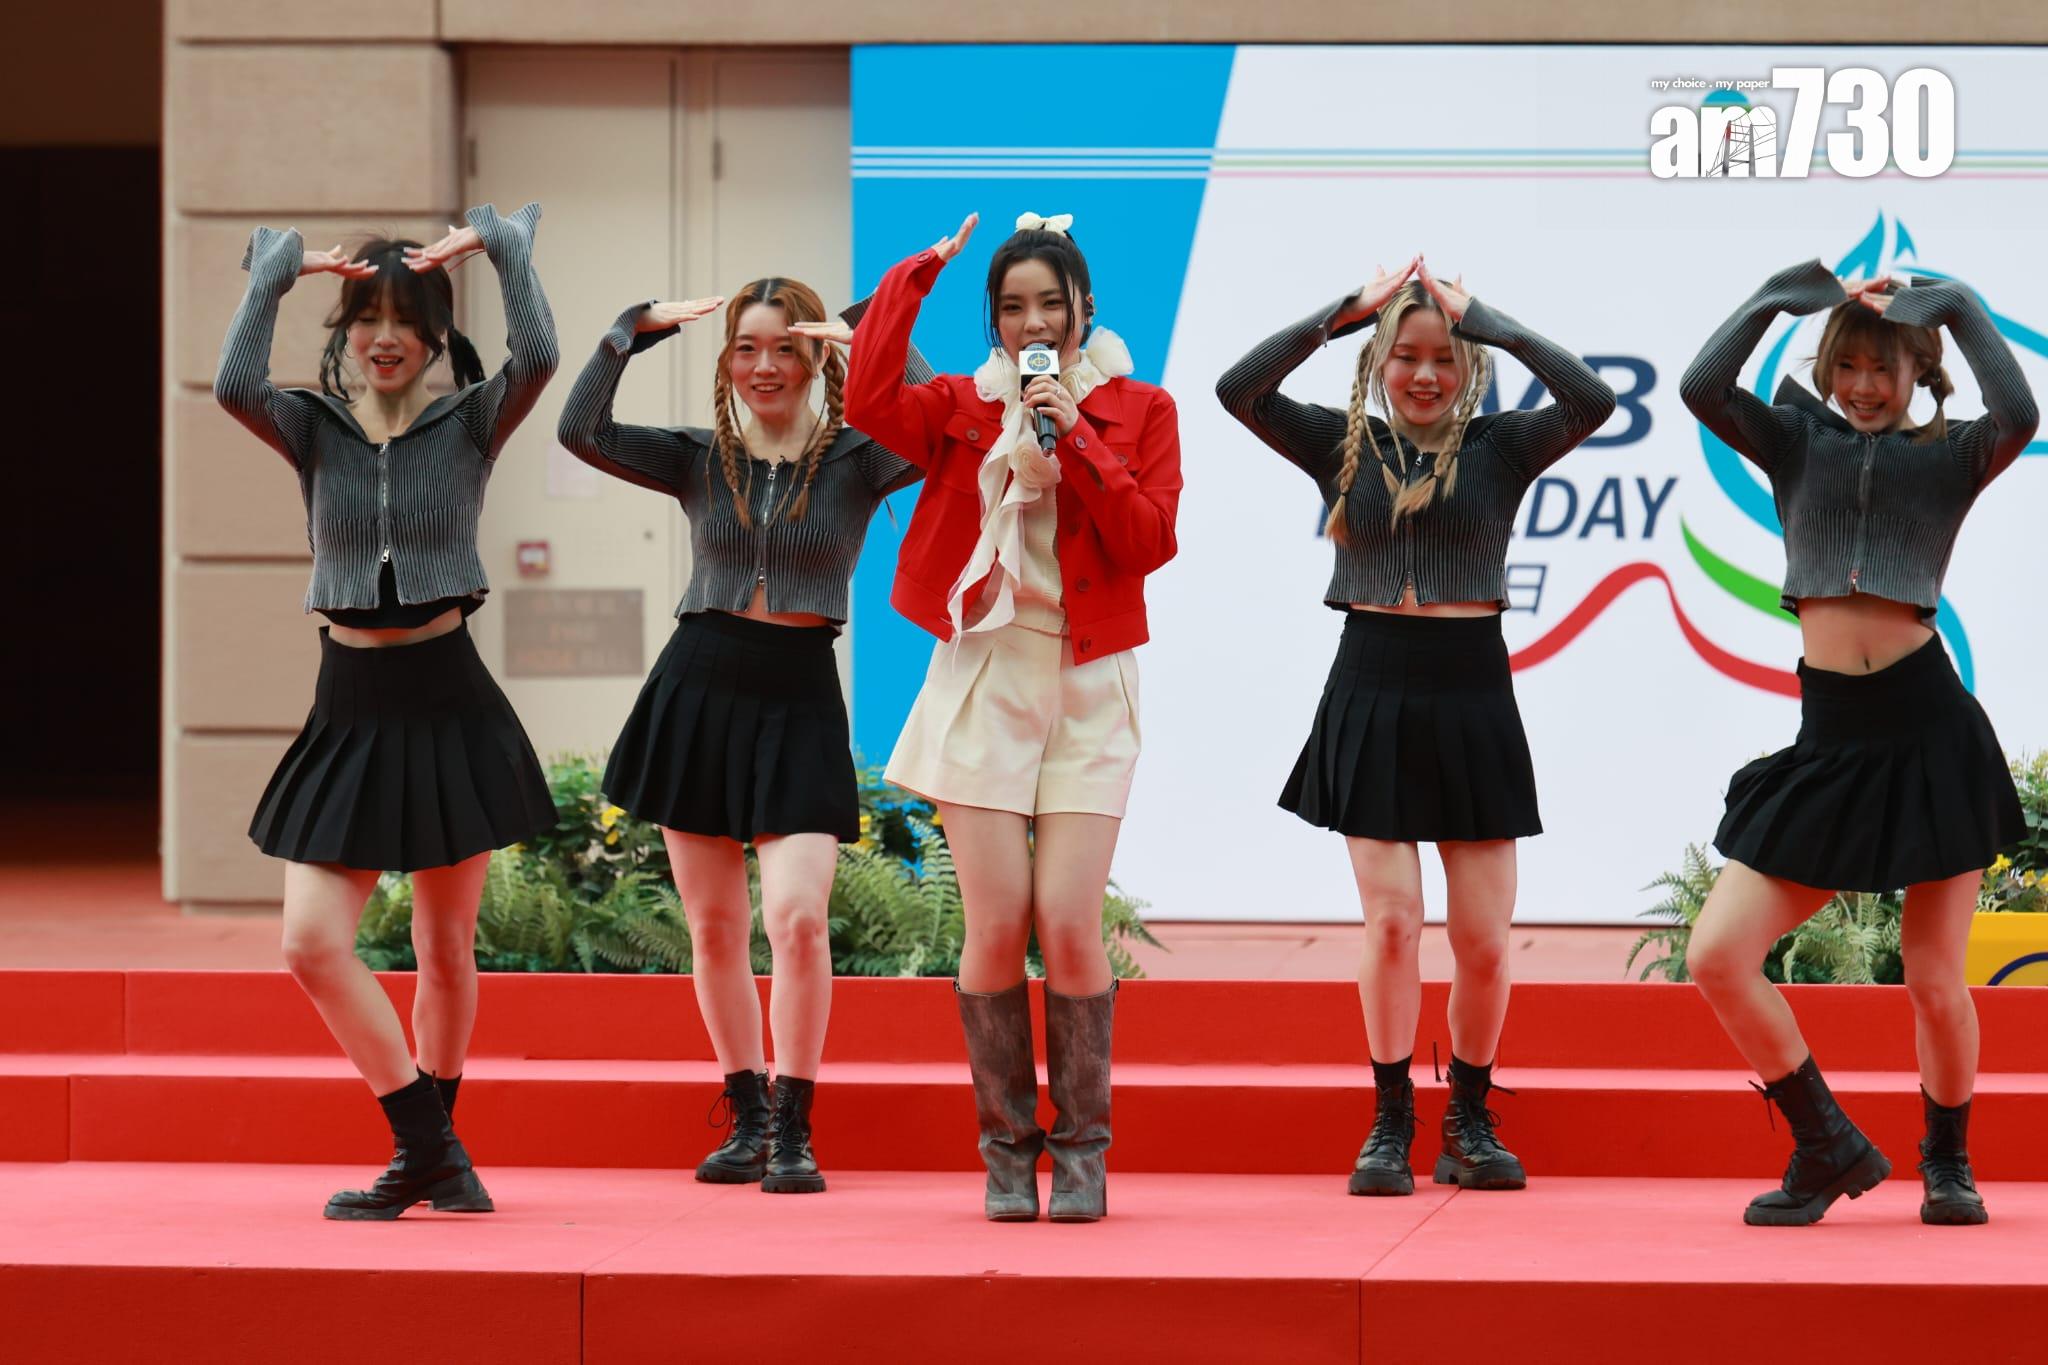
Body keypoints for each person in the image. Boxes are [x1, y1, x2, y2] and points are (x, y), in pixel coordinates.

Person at [1217, 255, 1616, 1197]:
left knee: (1484, 938)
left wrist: (1494, 322)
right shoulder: (1338, 440)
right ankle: (1390, 1118)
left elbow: (1592, 400)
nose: (1426, 375)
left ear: (1469, 362)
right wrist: (1340, 313)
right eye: (1406, 356)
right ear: (1379, 362)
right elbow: (1240, 390)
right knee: (1394, 921)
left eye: (1445, 356)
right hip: (1372, 683)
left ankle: (1468, 1119)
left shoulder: (1504, 445)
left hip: (1473, 688)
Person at [834, 211, 1182, 1221]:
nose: (1033, 322)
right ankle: (1004, 1153)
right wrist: (916, 275)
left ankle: (1081, 1154)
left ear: (1084, 311)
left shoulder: (1141, 408)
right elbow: (865, 397)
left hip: (1088, 678)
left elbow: (1149, 540)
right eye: (1012, 306)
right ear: (993, 320)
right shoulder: (959, 404)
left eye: (1049, 304)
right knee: (993, 923)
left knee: (1067, 922)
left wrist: (1078, 436)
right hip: (983, 671)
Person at [215, 204, 560, 1218]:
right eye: (368, 316)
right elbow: (233, 384)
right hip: (349, 705)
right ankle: (430, 1148)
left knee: (445, 947)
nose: (386, 336)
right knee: (310, 943)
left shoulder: (471, 423)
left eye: (408, 318)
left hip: (449, 697)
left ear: (437, 335)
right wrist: (274, 274)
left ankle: (431, 1157)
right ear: (345, 331)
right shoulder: (311, 427)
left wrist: (501, 246)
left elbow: (539, 357)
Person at [1680, 262, 2036, 1226]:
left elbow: (2019, 412)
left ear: (1921, 369)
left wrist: (1952, 303)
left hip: (1932, 733)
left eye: (1886, 367)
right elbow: (1703, 386)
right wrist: (1782, 294)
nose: (1865, 385)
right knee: (1718, 953)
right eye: (1848, 365)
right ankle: (1826, 1142)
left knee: (1933, 976)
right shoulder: (1796, 441)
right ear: (1828, 368)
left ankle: (1948, 1163)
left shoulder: (1954, 453)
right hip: (1831, 735)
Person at [558, 277, 926, 1194]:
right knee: (715, 926)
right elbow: (582, 432)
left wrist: (868, 334)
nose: (765, 365)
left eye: (785, 348)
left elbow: (940, 427)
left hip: (800, 695)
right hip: (698, 687)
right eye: (747, 348)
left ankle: (795, 1125)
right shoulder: (695, 456)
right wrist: (626, 333)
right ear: (727, 361)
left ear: (814, 360)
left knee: (797, 918)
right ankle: (749, 1113)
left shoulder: (860, 457)